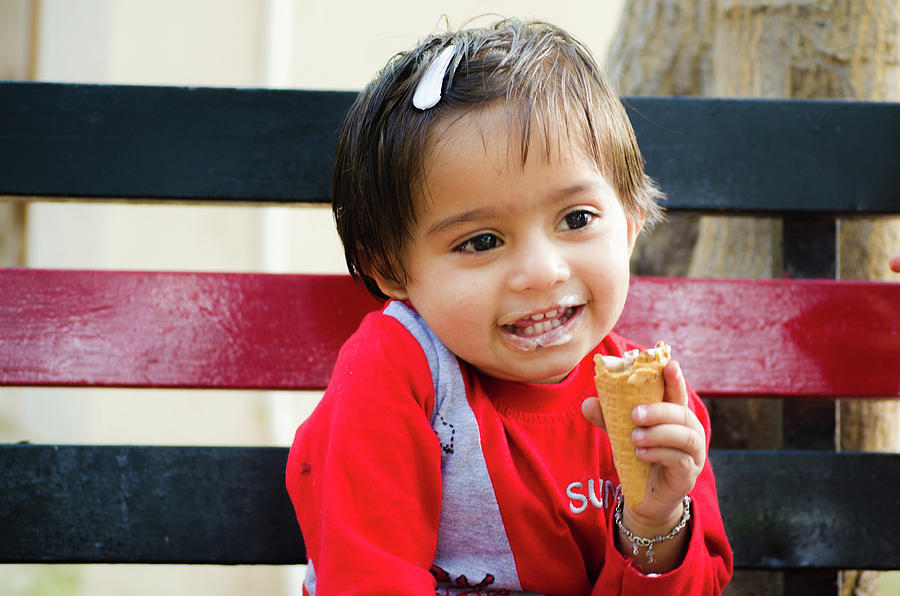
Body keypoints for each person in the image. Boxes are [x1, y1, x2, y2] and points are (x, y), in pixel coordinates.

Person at [286, 18, 733, 595]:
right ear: (391, 270)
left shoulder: (657, 410)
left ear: (629, 225)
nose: (542, 271)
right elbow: (366, 573)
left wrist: (654, 524)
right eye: (481, 241)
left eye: (576, 219)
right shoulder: (395, 369)